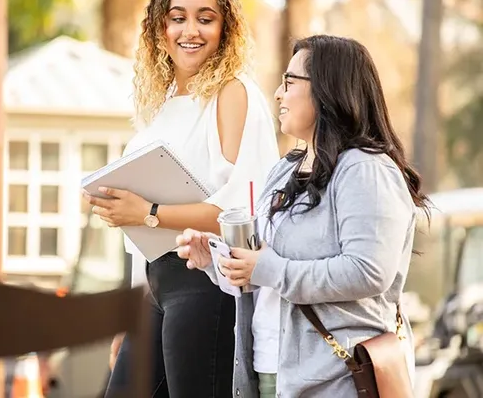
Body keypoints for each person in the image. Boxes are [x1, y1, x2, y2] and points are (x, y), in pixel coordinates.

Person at [176, 35, 430, 398]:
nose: (278, 94)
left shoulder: (365, 169)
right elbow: (264, 270)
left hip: (335, 378)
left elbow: (368, 270)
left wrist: (266, 269)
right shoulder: (284, 170)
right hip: (270, 368)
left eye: (290, 82)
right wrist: (216, 262)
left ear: (328, 89)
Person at [84, 0, 280, 397]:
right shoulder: (161, 104)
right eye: (178, 19)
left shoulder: (233, 93)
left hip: (206, 283)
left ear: (226, 29)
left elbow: (241, 212)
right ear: (160, 29)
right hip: (157, 288)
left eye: (205, 19)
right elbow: (142, 237)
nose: (190, 31)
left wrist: (149, 213)